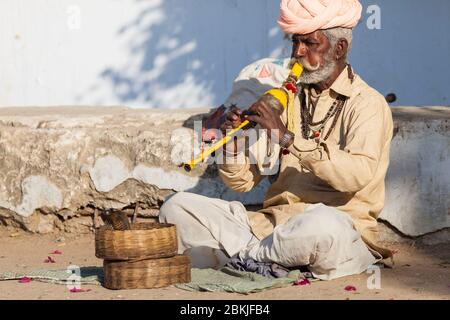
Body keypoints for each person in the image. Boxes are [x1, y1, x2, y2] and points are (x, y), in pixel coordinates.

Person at [159, 0, 394, 280]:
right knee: (177, 207)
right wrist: (233, 145)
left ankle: (245, 257)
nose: (297, 53)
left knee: (321, 226)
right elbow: (243, 183)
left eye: (309, 43)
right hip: (272, 227)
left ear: (339, 48)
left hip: (340, 228)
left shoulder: (368, 104)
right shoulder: (287, 100)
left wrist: (287, 139)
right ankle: (264, 258)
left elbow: (356, 176)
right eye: (295, 43)